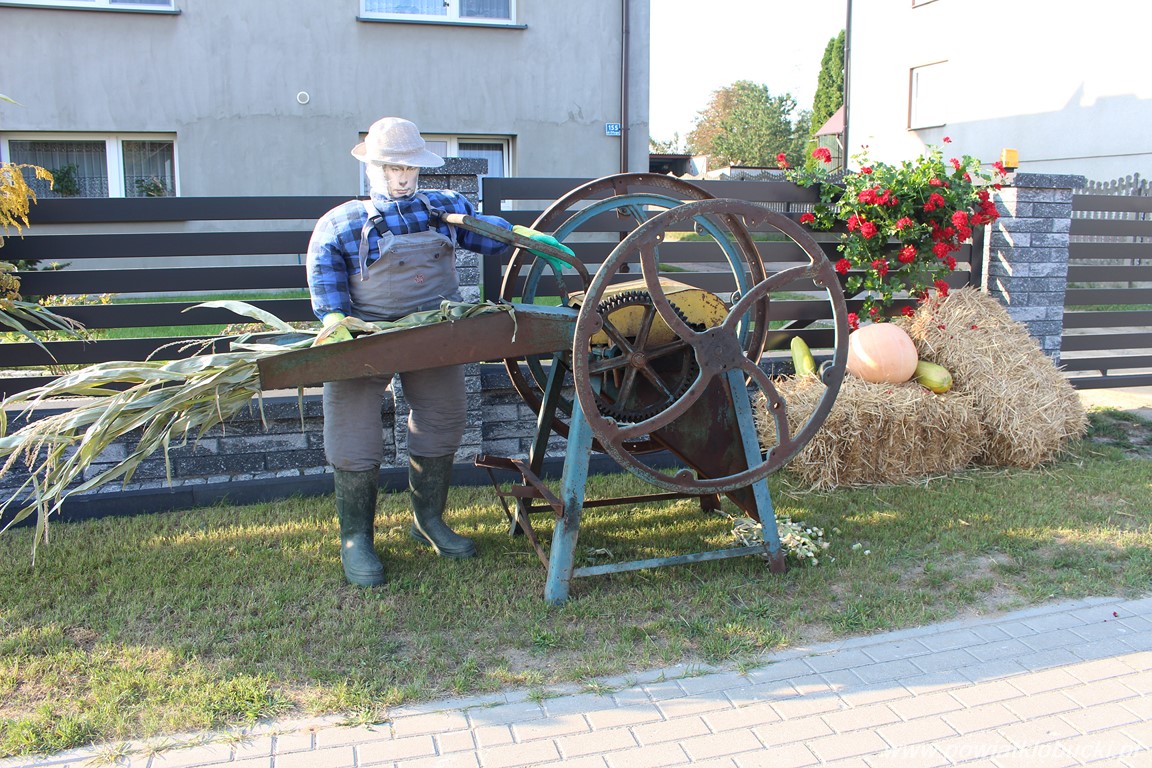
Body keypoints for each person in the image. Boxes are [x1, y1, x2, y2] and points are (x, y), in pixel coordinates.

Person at [306, 116, 571, 587]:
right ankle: (356, 539)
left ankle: (427, 520)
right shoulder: (342, 223)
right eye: (392, 168)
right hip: (364, 338)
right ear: (371, 168)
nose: (402, 178)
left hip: (434, 333)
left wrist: (522, 236)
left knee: (442, 419)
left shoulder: (443, 206)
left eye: (409, 168)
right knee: (352, 434)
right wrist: (334, 320)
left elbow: (483, 234)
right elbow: (325, 278)